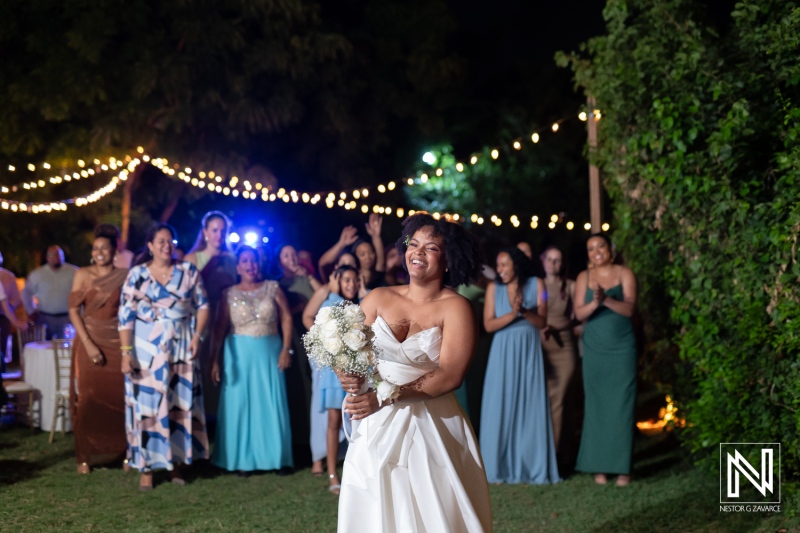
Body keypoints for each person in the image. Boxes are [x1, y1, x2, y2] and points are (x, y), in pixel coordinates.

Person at [337, 213, 492, 532]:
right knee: (375, 508)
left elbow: (450, 374)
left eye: (431, 247)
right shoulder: (378, 297)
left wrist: (386, 398)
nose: (417, 252)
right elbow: (350, 355)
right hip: (374, 423)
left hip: (430, 424)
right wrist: (348, 375)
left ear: (448, 259)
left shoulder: (457, 308)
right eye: (414, 244)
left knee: (430, 510)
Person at [118, 224, 210, 491]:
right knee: (147, 407)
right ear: (149, 245)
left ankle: (176, 463)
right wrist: (126, 353)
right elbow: (125, 317)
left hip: (181, 347)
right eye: (160, 241)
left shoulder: (188, 271)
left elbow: (203, 305)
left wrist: (197, 337)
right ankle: (146, 467)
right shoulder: (137, 274)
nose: (166, 245)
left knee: (178, 406)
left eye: (170, 241)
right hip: (146, 351)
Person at [480, 248, 560, 485]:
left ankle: (530, 466)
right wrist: (513, 313)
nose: (501, 270)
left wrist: (524, 312)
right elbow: (488, 325)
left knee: (529, 403)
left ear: (516, 264)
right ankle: (498, 467)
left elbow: (542, 320)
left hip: (528, 346)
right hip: (502, 348)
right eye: (499, 265)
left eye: (505, 264)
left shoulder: (538, 284)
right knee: (500, 403)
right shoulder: (495, 288)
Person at [210, 246, 294, 475]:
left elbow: (286, 317)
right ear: (238, 267)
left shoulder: (272, 288)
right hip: (238, 353)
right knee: (240, 404)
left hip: (269, 351)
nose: (250, 265)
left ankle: (276, 458)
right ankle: (241, 460)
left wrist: (287, 348)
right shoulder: (228, 293)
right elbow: (219, 328)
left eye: (253, 260)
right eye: (245, 261)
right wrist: (214, 360)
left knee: (269, 402)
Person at [574, 233, 637, 487]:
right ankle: (599, 465)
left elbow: (629, 309)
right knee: (597, 406)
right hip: (595, 349)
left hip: (622, 348)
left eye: (600, 246)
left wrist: (607, 299)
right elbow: (579, 313)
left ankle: (623, 468)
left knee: (622, 406)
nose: (596, 251)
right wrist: (595, 303)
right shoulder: (583, 277)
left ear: (610, 249)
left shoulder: (625, 274)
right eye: (590, 248)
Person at [67, 225, 129, 474]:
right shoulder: (82, 274)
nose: (100, 252)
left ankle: (124, 451)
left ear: (114, 251)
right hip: (88, 340)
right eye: (96, 248)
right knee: (89, 399)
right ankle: (84, 456)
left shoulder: (125, 275)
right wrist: (89, 344)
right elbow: (73, 311)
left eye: (105, 248)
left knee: (120, 399)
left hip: (116, 343)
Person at [302, 264, 360, 494]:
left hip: (355, 369)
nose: (352, 285)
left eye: (355, 280)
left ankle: (357, 472)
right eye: (347, 280)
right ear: (337, 279)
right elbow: (313, 323)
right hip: (334, 371)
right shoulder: (330, 301)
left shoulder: (360, 303)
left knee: (357, 422)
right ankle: (332, 475)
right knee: (333, 422)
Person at [184, 211, 238, 419]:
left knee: (223, 366)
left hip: (226, 319)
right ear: (205, 232)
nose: (219, 234)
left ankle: (222, 416)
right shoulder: (192, 259)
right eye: (214, 230)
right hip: (200, 320)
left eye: (223, 231)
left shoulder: (232, 260)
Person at [276, 243, 321, 464]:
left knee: (312, 387)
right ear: (279, 261)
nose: (291, 258)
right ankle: (299, 441)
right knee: (296, 386)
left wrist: (309, 276)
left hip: (313, 337)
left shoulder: (309, 279)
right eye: (286, 255)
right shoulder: (277, 285)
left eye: (294, 254)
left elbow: (326, 298)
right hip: (292, 337)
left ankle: (316, 443)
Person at [540, 246, 579, 465]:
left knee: (562, 399)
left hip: (565, 346)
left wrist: (571, 326)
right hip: (543, 347)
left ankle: (560, 454)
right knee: (547, 400)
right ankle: (550, 453)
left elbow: (579, 315)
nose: (555, 264)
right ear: (543, 261)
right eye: (551, 259)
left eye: (558, 260)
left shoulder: (571, 286)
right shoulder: (537, 285)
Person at [22, 245, 78, 339]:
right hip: (45, 318)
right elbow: (26, 292)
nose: (56, 256)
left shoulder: (74, 272)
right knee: (44, 346)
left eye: (59, 254)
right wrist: (31, 311)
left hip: (67, 318)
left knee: (67, 348)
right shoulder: (38, 274)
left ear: (63, 256)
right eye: (52, 254)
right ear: (47, 257)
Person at [0, 251, 24, 371]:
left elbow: (6, 305)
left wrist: (16, 322)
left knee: (1, 349)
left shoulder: (7, 277)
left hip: (3, 317)